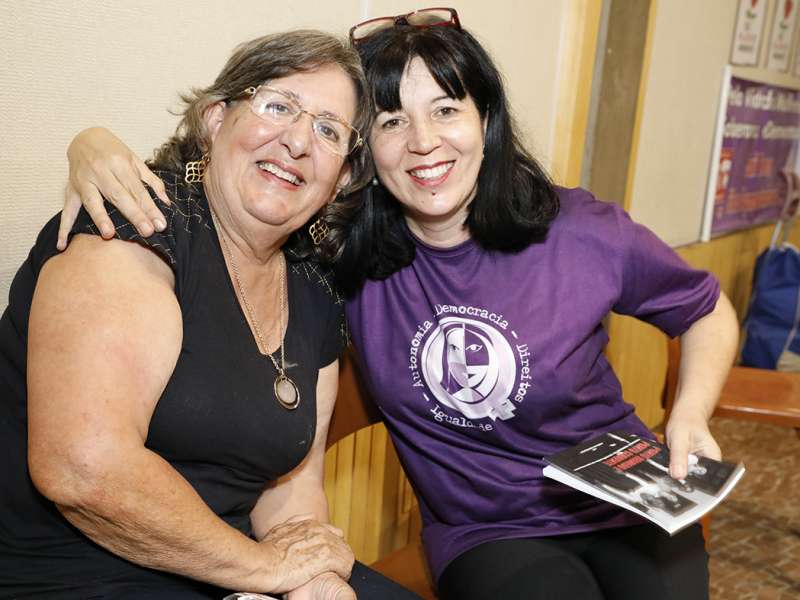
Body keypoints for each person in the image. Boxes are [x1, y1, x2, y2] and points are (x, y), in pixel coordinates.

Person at [56, 8, 739, 600]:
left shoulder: (583, 231)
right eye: (390, 121)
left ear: (486, 120)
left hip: (631, 499)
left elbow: (705, 308)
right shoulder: (342, 259)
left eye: (446, 110)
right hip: (490, 531)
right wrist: (92, 148)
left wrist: (689, 414)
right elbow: (228, 187)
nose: (423, 142)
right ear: (362, 155)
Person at [0, 29, 422, 600]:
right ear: (216, 119)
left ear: (342, 177)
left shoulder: (316, 285)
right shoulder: (136, 229)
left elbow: (293, 484)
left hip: (232, 564)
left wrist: (316, 582)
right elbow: (83, 470)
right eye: (278, 106)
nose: (298, 142)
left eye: (328, 130)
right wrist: (264, 572)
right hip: (78, 574)